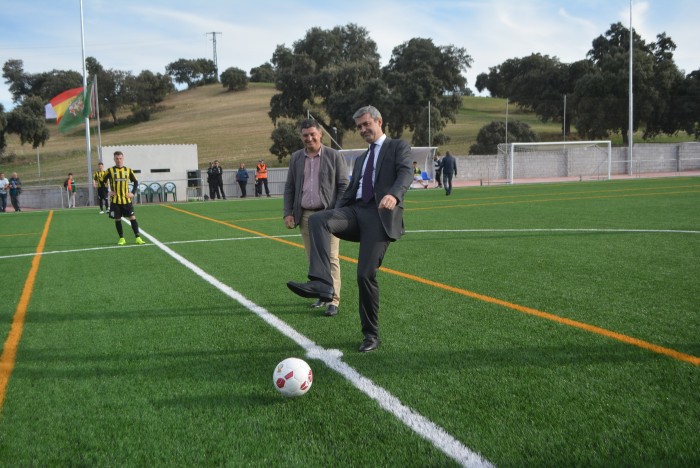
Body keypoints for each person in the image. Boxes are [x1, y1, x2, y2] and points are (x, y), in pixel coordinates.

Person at [287, 105, 413, 352]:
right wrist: (333, 212)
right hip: (356, 212)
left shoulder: (398, 147)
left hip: (380, 217)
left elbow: (406, 173)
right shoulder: (362, 157)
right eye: (359, 127)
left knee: (364, 275)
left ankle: (370, 335)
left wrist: (394, 195)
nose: (364, 130)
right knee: (317, 220)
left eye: (367, 124)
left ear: (379, 121)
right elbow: (352, 189)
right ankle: (323, 284)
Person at [283, 118, 349, 317]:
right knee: (313, 258)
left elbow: (344, 186)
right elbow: (290, 187)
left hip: (328, 215)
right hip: (305, 216)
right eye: (305, 135)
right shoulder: (296, 158)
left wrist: (335, 213)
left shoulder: (334, 156)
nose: (309, 138)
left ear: (320, 134)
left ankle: (334, 300)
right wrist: (288, 213)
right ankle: (322, 294)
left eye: (312, 134)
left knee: (331, 258)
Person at [99, 151, 146, 245]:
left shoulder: (128, 170)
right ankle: (121, 238)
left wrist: (132, 192)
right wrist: (108, 192)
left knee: (132, 218)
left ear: (123, 158)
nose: (119, 160)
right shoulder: (110, 170)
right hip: (115, 201)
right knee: (117, 219)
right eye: (117, 158)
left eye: (120, 158)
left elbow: (136, 182)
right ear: (114, 159)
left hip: (126, 200)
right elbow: (101, 181)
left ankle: (138, 238)